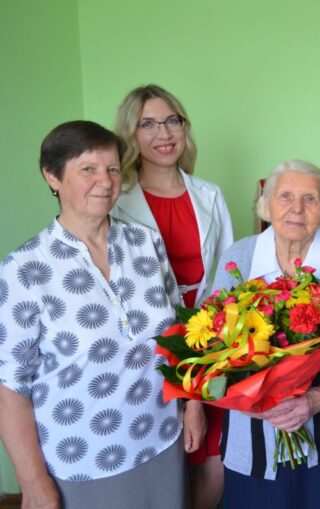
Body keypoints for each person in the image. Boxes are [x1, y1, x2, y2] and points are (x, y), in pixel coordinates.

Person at [0, 120, 205, 508]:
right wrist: (32, 481)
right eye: (87, 169)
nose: (106, 181)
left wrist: (192, 403)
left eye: (112, 169)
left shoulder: (144, 240)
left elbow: (180, 328)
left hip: (161, 437)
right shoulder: (24, 269)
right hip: (83, 459)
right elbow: (11, 388)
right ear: (52, 176)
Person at [211, 160, 320, 509]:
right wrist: (256, 402)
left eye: (310, 198)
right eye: (286, 196)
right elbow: (215, 343)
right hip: (254, 430)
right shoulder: (240, 256)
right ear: (267, 202)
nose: (296, 208)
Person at [111, 84, 233, 509]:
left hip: (207, 339)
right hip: (148, 345)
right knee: (165, 456)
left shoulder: (209, 195)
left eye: (172, 120)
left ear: (184, 128)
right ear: (130, 134)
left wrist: (218, 344)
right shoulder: (115, 201)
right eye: (147, 124)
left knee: (213, 454)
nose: (163, 133)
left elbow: (226, 275)